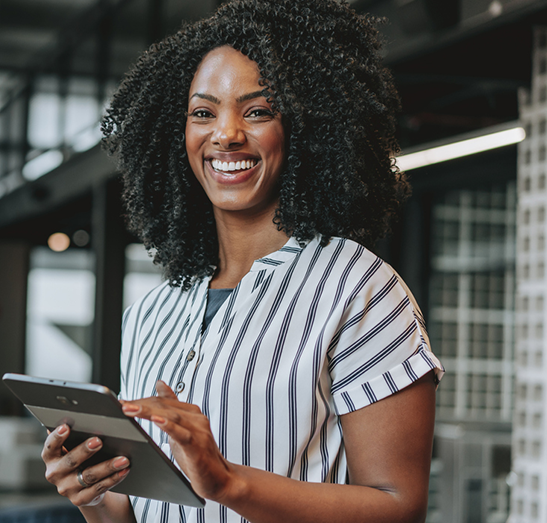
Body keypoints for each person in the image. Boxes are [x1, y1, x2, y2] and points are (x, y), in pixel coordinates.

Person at [40, 1, 445, 522]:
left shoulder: (357, 287)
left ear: (304, 129)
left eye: (257, 111)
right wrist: (93, 492)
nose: (226, 134)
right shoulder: (151, 312)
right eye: (203, 113)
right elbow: (132, 514)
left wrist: (228, 482)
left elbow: (398, 506)